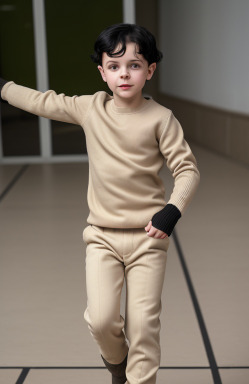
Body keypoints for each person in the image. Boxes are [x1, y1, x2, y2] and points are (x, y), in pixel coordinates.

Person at [0, 23, 200, 384]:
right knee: (101, 319)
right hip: (101, 237)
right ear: (102, 72)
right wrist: (3, 88)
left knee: (143, 327)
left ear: (150, 70)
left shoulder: (161, 119)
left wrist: (172, 209)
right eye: (115, 65)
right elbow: (42, 101)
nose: (124, 73)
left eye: (135, 65)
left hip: (148, 239)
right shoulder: (90, 108)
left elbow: (187, 170)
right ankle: (117, 366)